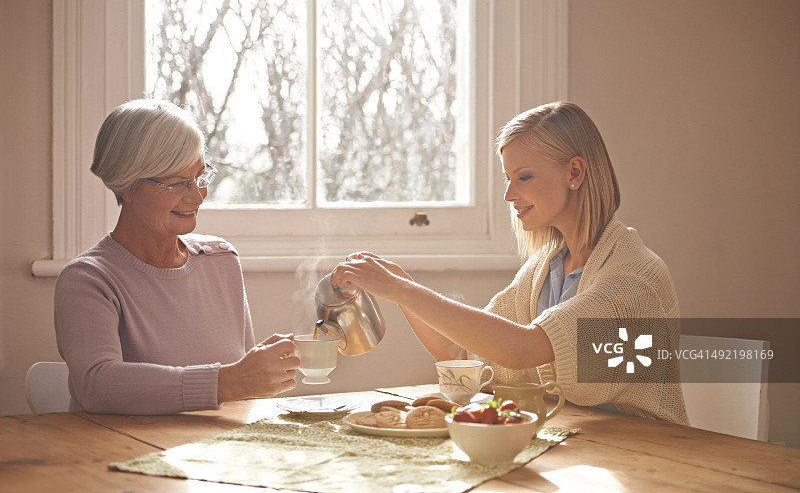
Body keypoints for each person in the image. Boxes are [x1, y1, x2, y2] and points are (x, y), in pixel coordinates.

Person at [331, 101, 688, 424]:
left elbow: (521, 349)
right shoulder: (544, 269)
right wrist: (400, 287)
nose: (508, 194)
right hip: (583, 453)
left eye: (524, 177)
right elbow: (464, 353)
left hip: (648, 459)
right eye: (508, 177)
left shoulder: (634, 278)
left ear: (575, 173)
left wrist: (402, 290)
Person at [54, 99, 300, 415]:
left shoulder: (221, 261)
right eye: (177, 183)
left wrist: (257, 377)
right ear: (126, 187)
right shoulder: (88, 280)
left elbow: (246, 398)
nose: (197, 196)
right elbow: (98, 385)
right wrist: (226, 383)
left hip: (219, 456)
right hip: (122, 454)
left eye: (200, 176)